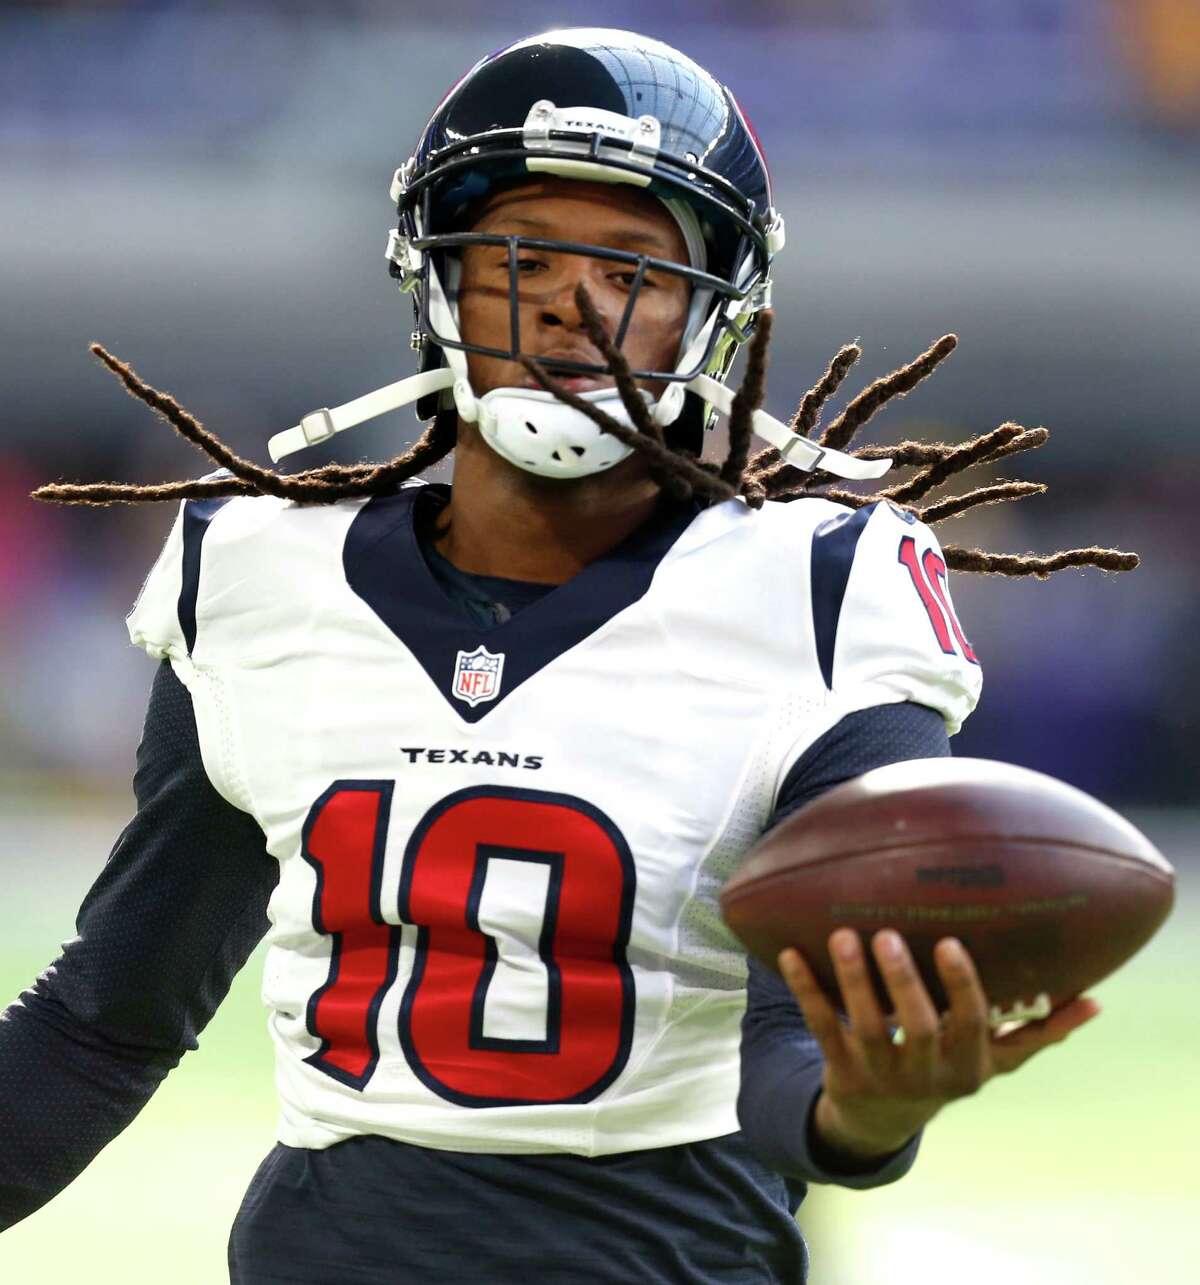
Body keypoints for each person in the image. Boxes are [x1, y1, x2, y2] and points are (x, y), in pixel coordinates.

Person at [1, 29, 1133, 1284]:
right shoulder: (266, 578)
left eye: (635, 268)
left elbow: (788, 1049)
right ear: (437, 279)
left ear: (717, 316)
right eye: (520, 254)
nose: (570, 300)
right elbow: (105, 1021)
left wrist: (864, 1111)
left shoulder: (819, 589)